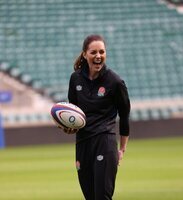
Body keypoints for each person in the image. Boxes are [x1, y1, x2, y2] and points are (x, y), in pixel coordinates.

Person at [64, 34, 130, 200]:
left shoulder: (115, 82)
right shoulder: (75, 79)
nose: (98, 56)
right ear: (85, 54)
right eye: (93, 52)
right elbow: (72, 113)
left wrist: (122, 149)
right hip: (82, 144)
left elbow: (124, 115)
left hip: (104, 143)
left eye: (102, 51)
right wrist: (67, 126)